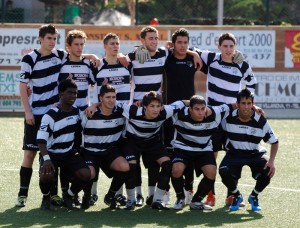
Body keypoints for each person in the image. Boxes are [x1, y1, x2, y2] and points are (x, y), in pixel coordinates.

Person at [199, 32, 257, 206]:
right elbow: (188, 50)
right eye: (225, 46)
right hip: (214, 117)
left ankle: (232, 195)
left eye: (231, 46)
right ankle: (210, 195)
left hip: (233, 117)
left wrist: (248, 104)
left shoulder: (241, 64)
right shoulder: (211, 58)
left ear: (235, 47)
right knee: (211, 156)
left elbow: (252, 83)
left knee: (234, 156)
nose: (228, 49)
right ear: (219, 47)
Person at [16, 24, 68, 207]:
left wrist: (92, 56)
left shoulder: (60, 55)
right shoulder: (29, 59)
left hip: (53, 114)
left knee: (51, 154)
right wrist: (27, 111)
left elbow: (78, 56)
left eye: (55, 38)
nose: (52, 42)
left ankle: (52, 194)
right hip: (35, 114)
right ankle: (22, 194)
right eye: (49, 38)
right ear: (40, 38)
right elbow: (23, 87)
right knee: (30, 153)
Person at [121, 91, 187, 210]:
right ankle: (131, 200)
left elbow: (183, 102)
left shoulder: (165, 112)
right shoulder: (133, 110)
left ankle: (157, 200)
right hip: (132, 141)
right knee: (131, 166)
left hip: (151, 142)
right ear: (144, 106)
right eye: (152, 106)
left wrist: (205, 107)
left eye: (158, 106)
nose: (155, 109)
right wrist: (94, 106)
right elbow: (111, 103)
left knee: (167, 165)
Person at [53, 29, 96, 206]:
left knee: (82, 153)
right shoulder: (61, 64)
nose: (79, 48)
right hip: (64, 116)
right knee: (65, 153)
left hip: (82, 116)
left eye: (82, 44)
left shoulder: (88, 64)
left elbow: (96, 85)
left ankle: (83, 193)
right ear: (68, 46)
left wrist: (93, 105)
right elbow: (54, 87)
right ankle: (65, 193)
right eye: (76, 44)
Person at [219, 88, 279, 211]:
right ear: (237, 104)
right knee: (223, 171)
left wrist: (271, 161)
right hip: (234, 153)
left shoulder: (260, 120)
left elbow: (275, 142)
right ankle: (236, 195)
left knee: (268, 169)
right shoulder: (228, 117)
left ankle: (254, 196)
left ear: (252, 104)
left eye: (248, 104)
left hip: (254, 154)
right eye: (243, 103)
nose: (246, 107)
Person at [171, 95, 233, 210]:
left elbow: (234, 105)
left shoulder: (215, 113)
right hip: (182, 148)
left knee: (211, 172)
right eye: (196, 109)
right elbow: (161, 109)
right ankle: (180, 198)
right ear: (190, 109)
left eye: (202, 109)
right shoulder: (178, 113)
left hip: (204, 149)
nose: (200, 112)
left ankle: (196, 201)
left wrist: (254, 107)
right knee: (177, 169)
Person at [91, 33, 132, 206]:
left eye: (117, 44)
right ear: (105, 46)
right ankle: (92, 193)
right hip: (101, 117)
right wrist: (93, 105)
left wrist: (124, 56)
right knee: (95, 152)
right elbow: (91, 89)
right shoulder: (98, 66)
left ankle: (118, 194)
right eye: (112, 44)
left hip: (122, 117)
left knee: (121, 152)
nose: (115, 46)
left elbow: (146, 52)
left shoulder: (127, 65)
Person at [37, 79, 91, 210]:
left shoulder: (77, 112)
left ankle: (68, 195)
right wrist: (47, 160)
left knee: (86, 174)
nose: (73, 96)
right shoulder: (50, 115)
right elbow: (41, 140)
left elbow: (84, 127)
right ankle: (46, 196)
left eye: (75, 93)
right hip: (51, 154)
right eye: (69, 93)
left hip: (68, 153)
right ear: (61, 94)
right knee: (46, 175)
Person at [163, 28, 201, 205]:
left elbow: (222, 54)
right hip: (170, 111)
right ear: (173, 43)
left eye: (186, 42)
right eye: (179, 42)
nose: (183, 46)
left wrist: (193, 53)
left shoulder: (193, 58)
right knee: (170, 153)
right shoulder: (166, 58)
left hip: (189, 111)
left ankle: (188, 192)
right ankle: (167, 192)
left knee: (190, 151)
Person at [80, 84, 130, 210]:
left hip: (109, 152)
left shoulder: (120, 112)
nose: (111, 100)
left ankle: (110, 196)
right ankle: (87, 196)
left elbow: (135, 110)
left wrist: (140, 103)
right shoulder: (89, 113)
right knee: (89, 173)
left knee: (125, 166)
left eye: (113, 97)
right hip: (90, 152)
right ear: (100, 98)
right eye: (108, 97)